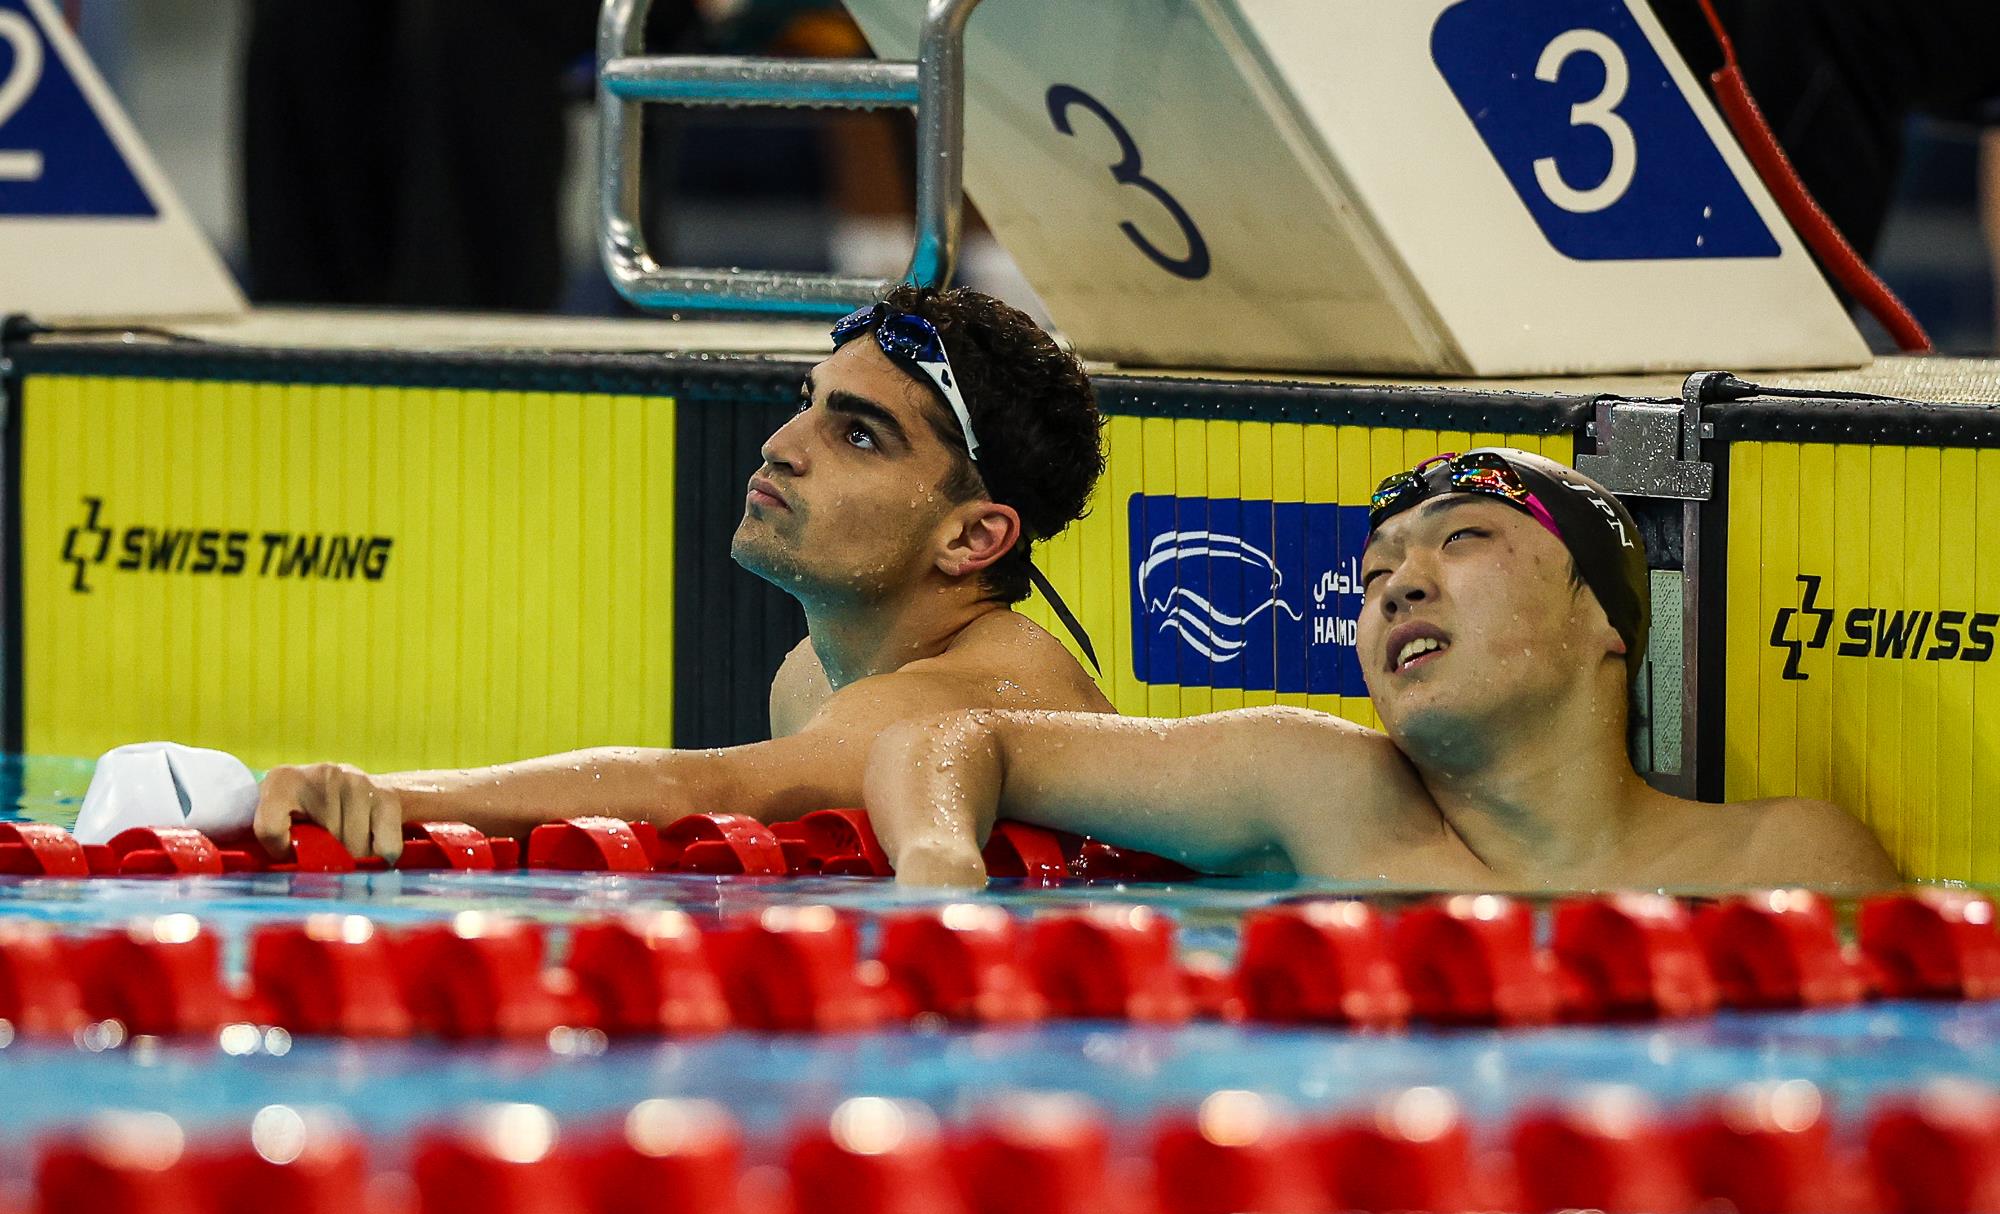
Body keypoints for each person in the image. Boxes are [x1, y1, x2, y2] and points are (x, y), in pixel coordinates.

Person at [253, 286, 1112, 861]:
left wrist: (394, 796)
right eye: (807, 403)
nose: (781, 445)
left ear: (973, 538)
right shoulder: (812, 678)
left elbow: (704, 788)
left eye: (858, 435)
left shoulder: (963, 699)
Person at [865, 450, 1898, 891]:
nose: (1398, 587)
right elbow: (951, 738)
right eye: (1372, 576)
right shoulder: (1321, 792)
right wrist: (936, 856)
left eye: (1462, 540)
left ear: (1602, 616)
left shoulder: (1780, 859)